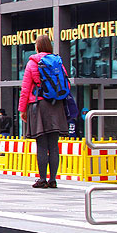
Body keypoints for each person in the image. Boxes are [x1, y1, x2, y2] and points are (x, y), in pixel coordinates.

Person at [19, 34, 69, 189]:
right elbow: (65, 81)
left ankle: (42, 179)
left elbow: (26, 88)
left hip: (39, 106)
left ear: (37, 46)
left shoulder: (33, 63)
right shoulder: (58, 62)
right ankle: (53, 179)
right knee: (54, 144)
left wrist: (22, 109)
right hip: (56, 106)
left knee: (41, 144)